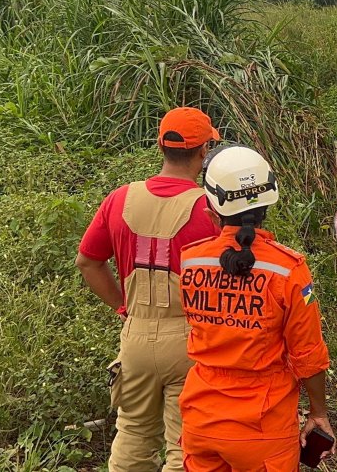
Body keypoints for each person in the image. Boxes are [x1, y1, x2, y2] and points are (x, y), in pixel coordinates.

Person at [76, 107, 222, 472]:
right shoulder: (210, 209)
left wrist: (122, 307)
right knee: (184, 445)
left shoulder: (119, 198)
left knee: (134, 436)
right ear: (204, 151)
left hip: (136, 339)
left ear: (161, 145)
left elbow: (88, 262)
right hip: (191, 340)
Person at [178, 144, 334, 472]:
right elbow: (307, 354)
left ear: (211, 210)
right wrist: (318, 413)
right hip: (263, 427)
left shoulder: (190, 260)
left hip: (200, 420)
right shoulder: (288, 269)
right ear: (268, 203)